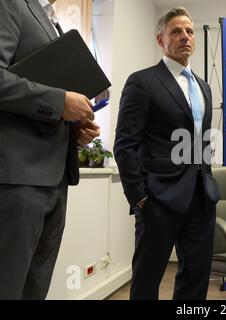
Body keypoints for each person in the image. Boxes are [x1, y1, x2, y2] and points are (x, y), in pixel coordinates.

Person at [114, 7, 220, 300]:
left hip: (201, 198)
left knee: (196, 278)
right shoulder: (143, 81)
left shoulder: (204, 87)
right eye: (176, 31)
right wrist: (140, 197)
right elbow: (125, 144)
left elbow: (202, 142)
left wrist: (208, 183)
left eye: (189, 31)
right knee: (148, 279)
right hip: (158, 199)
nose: (185, 36)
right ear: (160, 39)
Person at [0, 0, 100, 299]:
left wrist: (75, 128)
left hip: (55, 182)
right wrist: (60, 102)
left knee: (34, 289)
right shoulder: (11, 4)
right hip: (19, 181)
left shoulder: (52, 20)